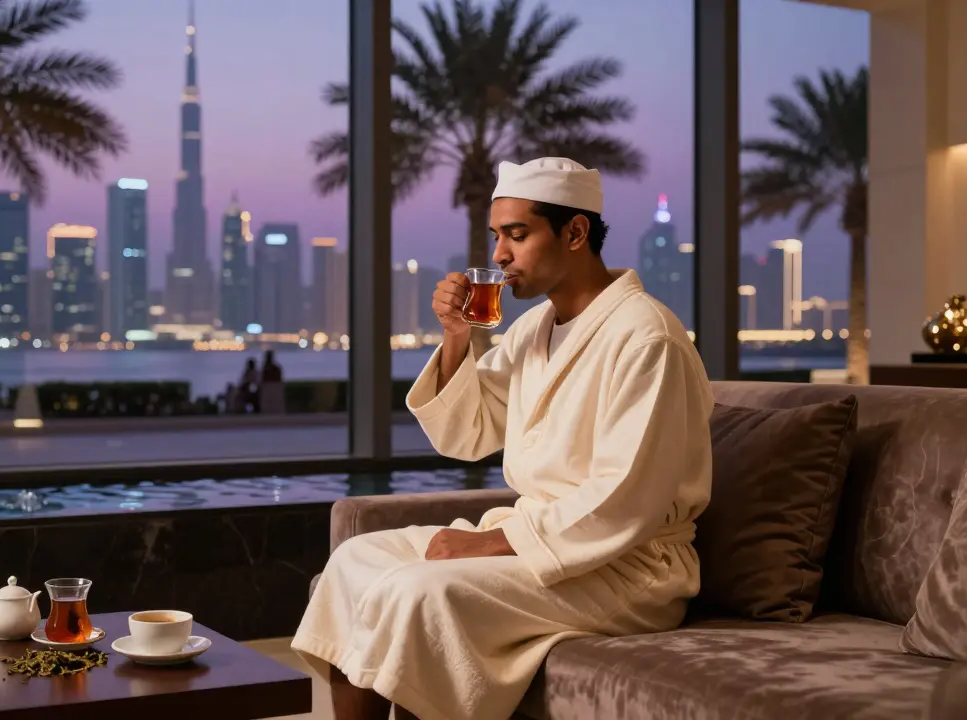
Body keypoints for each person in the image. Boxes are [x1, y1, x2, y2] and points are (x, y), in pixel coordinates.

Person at [291, 157, 714, 720]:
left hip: (629, 567)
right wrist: (456, 338)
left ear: (575, 232)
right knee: (355, 561)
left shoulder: (647, 339)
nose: (498, 255)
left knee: (423, 592)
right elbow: (468, 434)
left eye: (518, 235)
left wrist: (487, 544)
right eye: (496, 236)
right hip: (538, 538)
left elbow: (624, 501)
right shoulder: (535, 329)